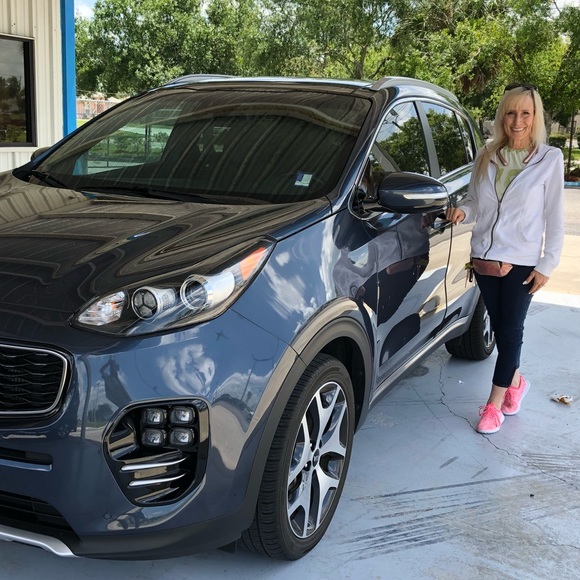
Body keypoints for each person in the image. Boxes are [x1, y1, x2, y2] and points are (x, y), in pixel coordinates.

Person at [446, 83, 565, 435]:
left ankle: (493, 406)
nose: (517, 121)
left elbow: (555, 217)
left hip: (522, 262)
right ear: (502, 116)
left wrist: (547, 264)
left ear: (535, 117)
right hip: (484, 257)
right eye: (511, 112)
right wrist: (462, 212)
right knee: (500, 329)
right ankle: (516, 382)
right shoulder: (487, 154)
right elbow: (474, 201)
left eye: (525, 113)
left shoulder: (549, 159)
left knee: (511, 331)